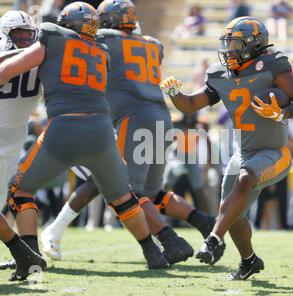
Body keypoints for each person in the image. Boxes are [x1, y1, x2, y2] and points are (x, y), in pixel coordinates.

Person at [41, 0, 220, 264]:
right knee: (153, 193)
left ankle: (170, 240)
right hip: (162, 117)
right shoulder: (153, 44)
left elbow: (76, 42)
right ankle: (204, 222)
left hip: (134, 120)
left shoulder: (103, 38)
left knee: (126, 191)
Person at [0, 2, 170, 271]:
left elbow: (7, 71)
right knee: (123, 197)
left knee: (20, 191)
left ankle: (29, 256)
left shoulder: (52, 36)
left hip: (64, 129)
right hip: (102, 131)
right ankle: (153, 253)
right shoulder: (102, 51)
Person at [160, 16, 293, 279]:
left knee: (245, 180)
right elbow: (190, 105)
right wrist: (175, 95)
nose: (229, 50)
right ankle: (249, 261)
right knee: (232, 214)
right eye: (228, 44)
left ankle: (212, 240)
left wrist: (283, 112)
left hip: (275, 152)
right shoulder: (222, 76)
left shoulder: (272, 66)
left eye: (236, 44)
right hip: (243, 153)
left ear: (253, 45)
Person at [0, 10, 45, 273]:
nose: (24, 40)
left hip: (8, 142)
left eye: (28, 36)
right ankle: (27, 257)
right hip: (13, 140)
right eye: (18, 35)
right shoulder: (40, 56)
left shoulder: (26, 57)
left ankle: (27, 257)